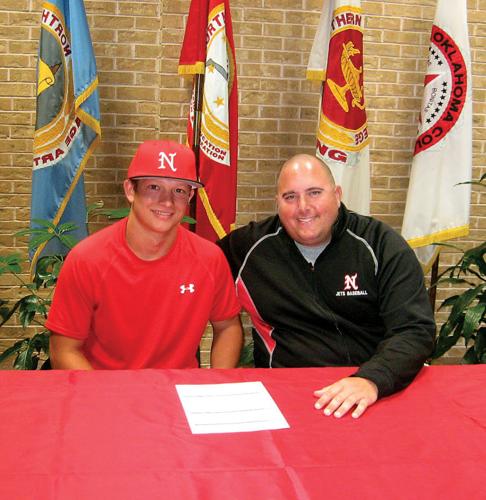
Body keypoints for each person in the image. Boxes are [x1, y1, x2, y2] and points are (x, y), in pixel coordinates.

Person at [218, 154, 435, 418]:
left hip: (367, 394)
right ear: (277, 203)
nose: (303, 207)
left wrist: (371, 379)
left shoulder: (381, 245)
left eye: (314, 193)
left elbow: (414, 329)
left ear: (337, 194)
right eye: (290, 197)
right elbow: (191, 266)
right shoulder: (248, 248)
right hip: (282, 397)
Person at [47, 140, 243, 370]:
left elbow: (228, 327)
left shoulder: (210, 259)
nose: (167, 201)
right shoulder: (87, 260)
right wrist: (104, 401)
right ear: (130, 190)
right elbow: (63, 350)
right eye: (154, 187)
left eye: (179, 190)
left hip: (178, 394)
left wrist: (217, 384)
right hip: (107, 393)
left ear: (189, 197)